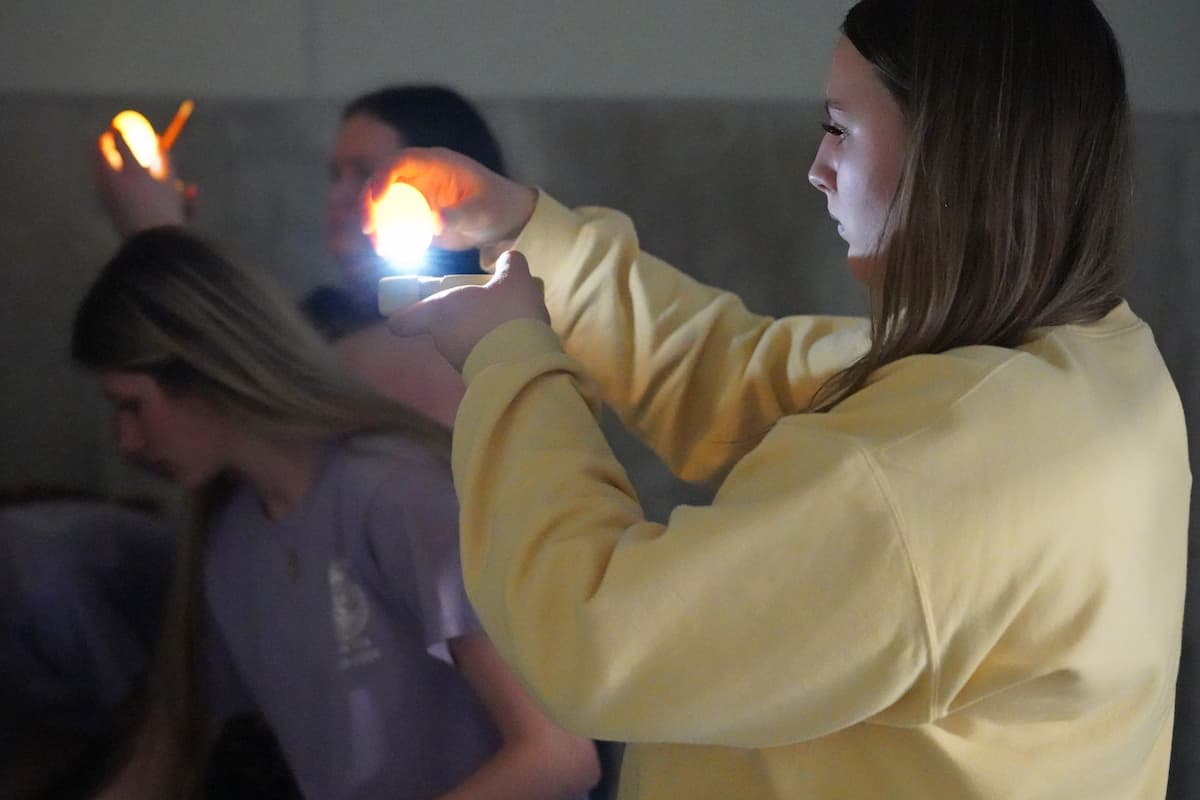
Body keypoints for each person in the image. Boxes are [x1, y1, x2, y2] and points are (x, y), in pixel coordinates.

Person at [377, 0, 1191, 798]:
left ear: (957, 152)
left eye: (840, 128)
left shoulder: (925, 471)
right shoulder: (1087, 367)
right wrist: (524, 230)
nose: (818, 166)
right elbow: (737, 376)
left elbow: (595, 636)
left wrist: (508, 356)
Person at [71, 227, 600, 799]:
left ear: (201, 368)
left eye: (132, 406)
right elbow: (169, 746)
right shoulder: (228, 544)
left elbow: (560, 756)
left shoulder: (397, 495)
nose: (125, 442)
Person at [93, 84, 505, 426]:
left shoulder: (496, 334)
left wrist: (159, 238)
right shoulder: (322, 320)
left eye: (366, 174)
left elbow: (260, 403)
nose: (339, 197)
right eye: (335, 175)